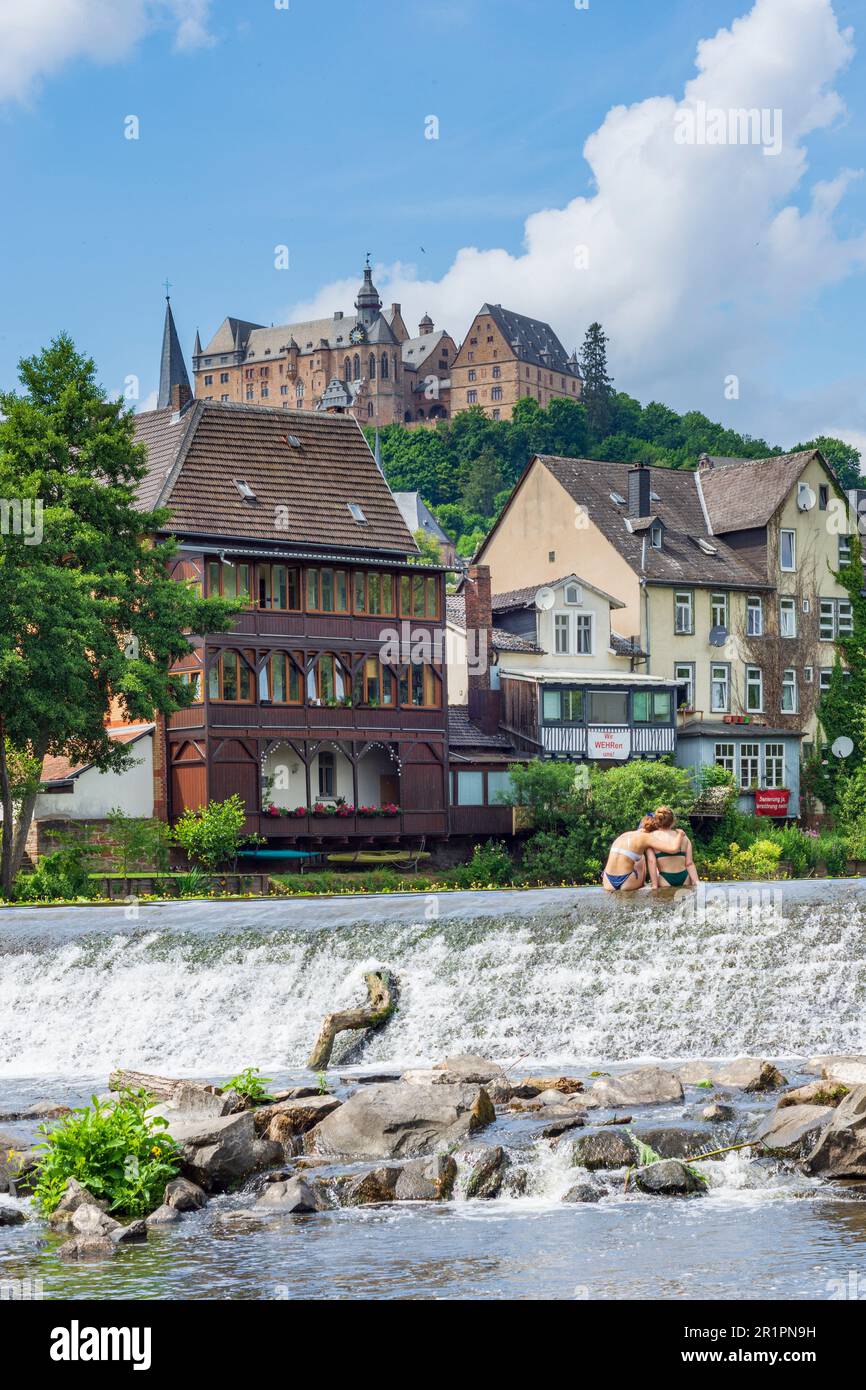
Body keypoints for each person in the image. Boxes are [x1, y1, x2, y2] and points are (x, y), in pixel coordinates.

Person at [602, 815, 687, 892]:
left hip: (607, 881)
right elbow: (673, 849)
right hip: (627, 882)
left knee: (631, 857)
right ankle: (643, 884)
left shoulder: (625, 834)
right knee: (641, 857)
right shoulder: (647, 837)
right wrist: (680, 834)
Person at [645, 806, 699, 890]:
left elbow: (652, 861)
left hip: (665, 878)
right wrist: (696, 882)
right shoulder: (683, 837)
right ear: (673, 821)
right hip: (684, 877)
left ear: (656, 820)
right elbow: (689, 863)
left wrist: (654, 885)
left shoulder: (651, 837)